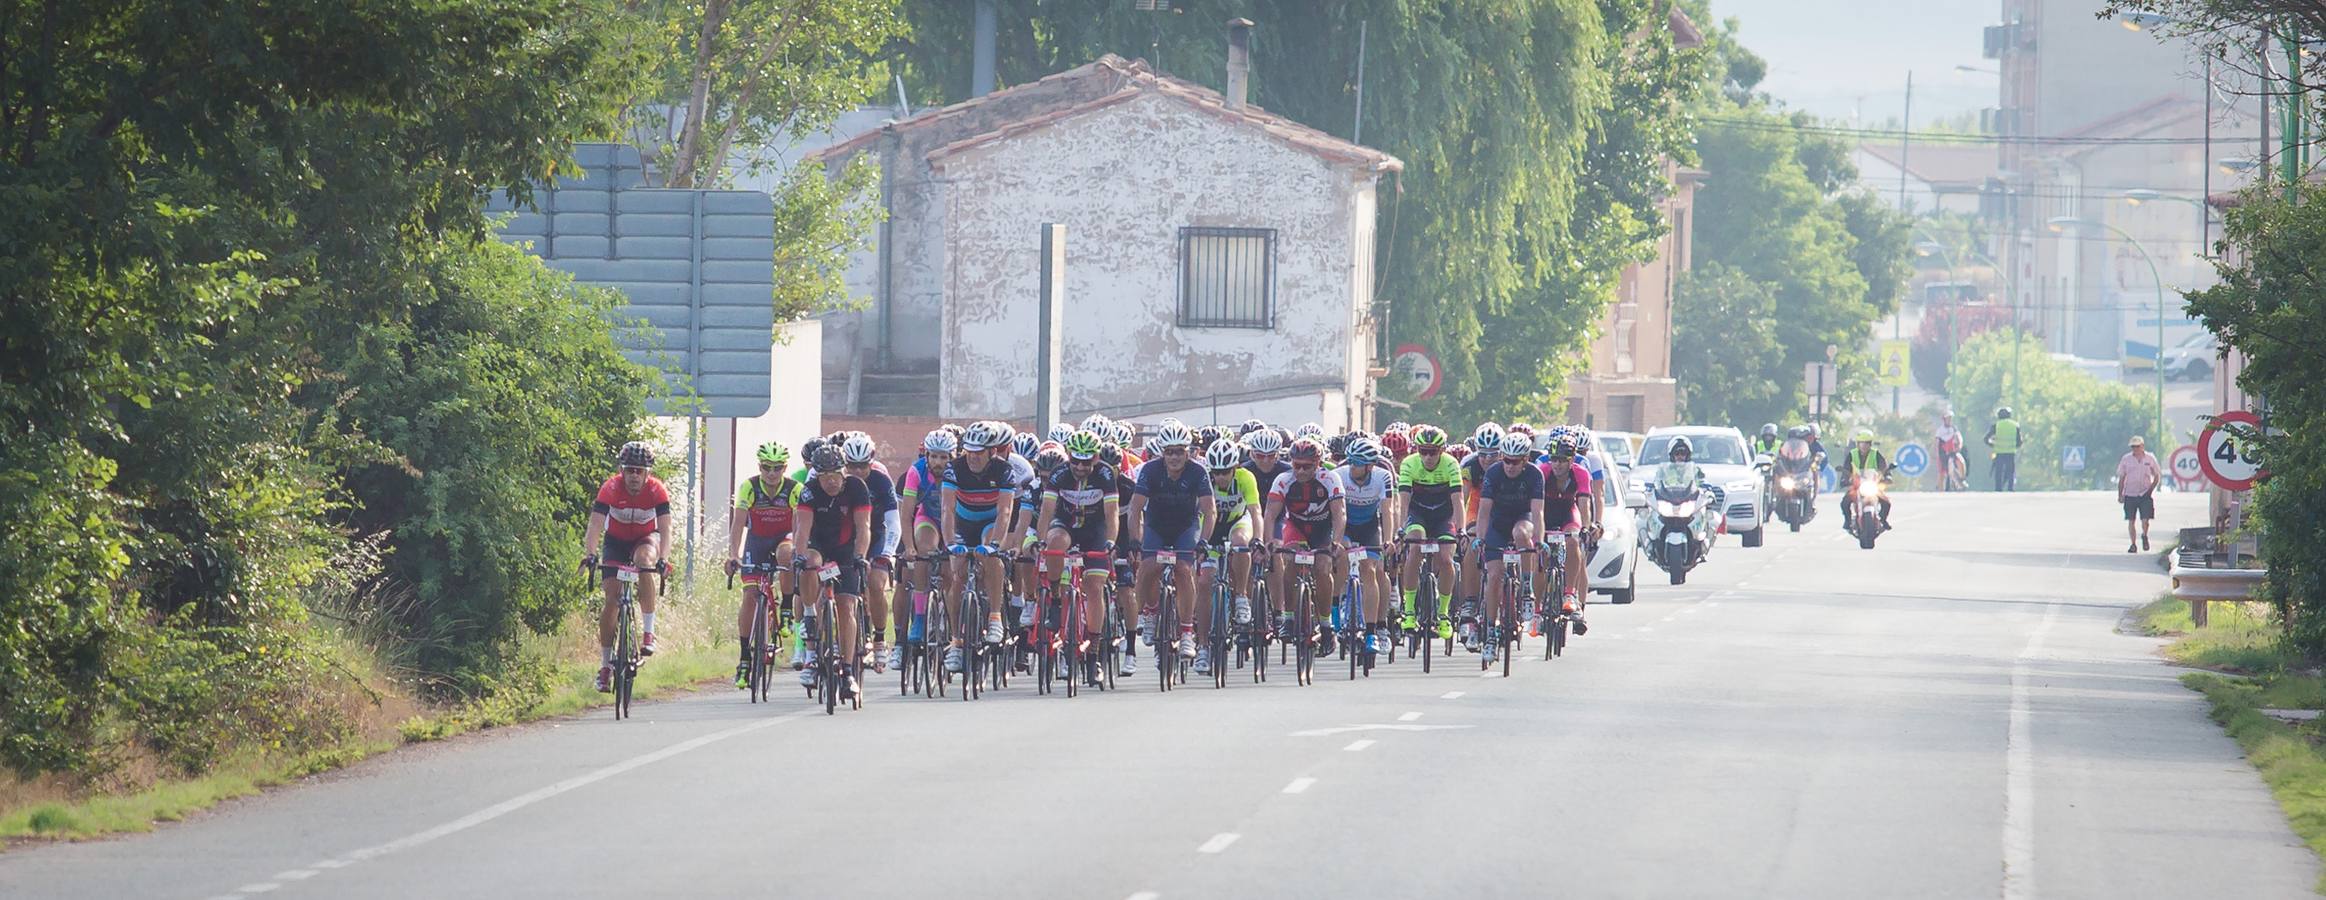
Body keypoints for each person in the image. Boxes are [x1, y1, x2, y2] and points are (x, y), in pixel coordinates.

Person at [1027, 430, 1120, 682]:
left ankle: (1094, 655)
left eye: (1086, 461)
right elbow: (1046, 511)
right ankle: (1056, 600)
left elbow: (1112, 514)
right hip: (1065, 523)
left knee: (1094, 586)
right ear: (1068, 456)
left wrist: (1111, 541)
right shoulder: (1059, 474)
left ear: (1096, 457)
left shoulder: (1104, 475)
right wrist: (1040, 540)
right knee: (1055, 542)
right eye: (1075, 460)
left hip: (1095, 529)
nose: (1080, 466)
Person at [1125, 422, 1217, 673]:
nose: (1174, 457)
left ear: (1188, 452)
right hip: (1156, 527)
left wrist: (1204, 541)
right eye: (1169, 452)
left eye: (1179, 451)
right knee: (1148, 566)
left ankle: (1187, 631)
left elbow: (1209, 510)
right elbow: (1135, 509)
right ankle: (1151, 612)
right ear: (1162, 453)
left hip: (1185, 528)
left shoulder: (1198, 472)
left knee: (1184, 570)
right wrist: (1135, 539)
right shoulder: (1150, 471)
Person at [582, 441, 673, 693]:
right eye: (629, 470)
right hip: (616, 542)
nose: (634, 475)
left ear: (647, 473)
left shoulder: (657, 491)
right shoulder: (610, 488)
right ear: (622, 470)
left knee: (646, 561)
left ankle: (648, 632)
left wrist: (663, 558)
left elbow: (665, 530)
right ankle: (605, 666)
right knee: (611, 600)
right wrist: (590, 554)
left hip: (645, 539)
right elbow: (595, 526)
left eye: (639, 471)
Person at [790, 446, 874, 699]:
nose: (831, 480)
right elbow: (802, 530)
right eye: (824, 475)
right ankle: (809, 616)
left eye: (835, 474)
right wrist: (799, 554)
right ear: (816, 475)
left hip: (846, 550)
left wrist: (860, 556)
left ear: (843, 472)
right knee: (809, 563)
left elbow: (864, 527)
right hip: (819, 546)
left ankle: (847, 671)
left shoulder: (857, 488)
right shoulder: (809, 491)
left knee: (847, 606)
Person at [939, 421, 1018, 674]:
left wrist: (995, 544)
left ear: (991, 452)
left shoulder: (1004, 470)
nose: (972, 457)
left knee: (992, 557)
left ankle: (995, 616)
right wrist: (951, 542)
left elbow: (1005, 511)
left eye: (979, 452)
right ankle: (956, 641)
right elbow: (947, 510)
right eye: (969, 451)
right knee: (957, 575)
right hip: (963, 523)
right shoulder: (954, 468)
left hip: (989, 523)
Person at [726, 441, 800, 689]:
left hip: (783, 539)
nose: (771, 473)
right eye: (766, 467)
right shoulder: (749, 486)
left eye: (777, 468)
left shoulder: (793, 489)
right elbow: (738, 524)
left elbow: (800, 524)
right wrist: (732, 554)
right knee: (749, 595)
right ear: (759, 466)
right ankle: (745, 657)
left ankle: (787, 608)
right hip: (756, 542)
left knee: (787, 554)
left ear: (784, 468)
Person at [1263, 438, 1346, 654]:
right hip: (1296, 526)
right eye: (1296, 465)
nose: (1300, 471)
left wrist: (1336, 542)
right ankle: (1289, 618)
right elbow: (1270, 515)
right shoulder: (1283, 480)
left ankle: (1326, 625)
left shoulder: (1330, 478)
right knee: (1289, 558)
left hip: (1322, 529)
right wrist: (1268, 543)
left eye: (1306, 466)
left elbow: (1339, 514)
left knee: (1322, 567)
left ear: (1318, 463)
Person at [1472, 431, 1546, 663]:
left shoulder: (1535, 475)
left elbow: (1538, 512)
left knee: (1522, 534)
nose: (1510, 466)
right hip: (1498, 522)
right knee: (1494, 576)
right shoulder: (1493, 473)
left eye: (1516, 461)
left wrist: (1540, 541)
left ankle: (1526, 588)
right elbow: (1484, 511)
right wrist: (1480, 538)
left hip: (1522, 518)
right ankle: (1492, 632)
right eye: (1507, 460)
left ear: (1525, 460)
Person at [1397, 425, 1465, 642]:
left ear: (1442, 450)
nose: (1427, 457)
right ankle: (1409, 610)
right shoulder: (1409, 464)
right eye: (1422, 451)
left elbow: (1458, 501)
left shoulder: (1451, 464)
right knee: (1415, 545)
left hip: (1443, 516)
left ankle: (1443, 613)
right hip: (1417, 514)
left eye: (1432, 452)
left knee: (1446, 559)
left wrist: (1461, 529)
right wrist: (1400, 528)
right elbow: (1404, 501)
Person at [837, 433, 899, 672]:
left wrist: (888, 553)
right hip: (847, 538)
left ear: (871, 461)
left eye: (862, 466)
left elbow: (893, 521)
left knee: (875, 583)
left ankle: (880, 638)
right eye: (851, 466)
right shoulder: (837, 480)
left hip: (877, 536)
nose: (856, 471)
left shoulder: (881, 480)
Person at [1335, 437, 1398, 659]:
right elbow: (1337, 512)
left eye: (1358, 463)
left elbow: (1387, 511)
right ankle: (1340, 602)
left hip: (1370, 526)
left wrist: (1389, 539)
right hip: (1346, 524)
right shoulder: (1340, 475)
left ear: (1370, 466)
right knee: (1341, 555)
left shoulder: (1383, 476)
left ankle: (1373, 630)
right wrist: (1338, 539)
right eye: (1351, 461)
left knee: (1370, 570)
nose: (1353, 467)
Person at [1838, 428, 1894, 530]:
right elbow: (1846, 468)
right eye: (1861, 443)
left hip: (1872, 484)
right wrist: (1844, 479)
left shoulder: (1876, 454)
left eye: (1867, 443)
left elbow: (1884, 467)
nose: (1864, 446)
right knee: (1845, 503)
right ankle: (1848, 521)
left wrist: (1887, 476)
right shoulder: (1852, 454)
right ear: (1858, 444)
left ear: (1870, 444)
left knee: (1886, 502)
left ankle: (1883, 520)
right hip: (1857, 485)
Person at [2117, 435, 2162, 553]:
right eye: (2133, 447)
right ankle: (2133, 544)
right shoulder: (2126, 459)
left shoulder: (2149, 458)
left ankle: (2145, 535)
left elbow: (2157, 475)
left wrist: (2151, 489)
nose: (2135, 449)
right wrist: (2120, 494)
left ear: (2142, 446)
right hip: (2130, 493)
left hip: (2145, 494)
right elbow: (2122, 477)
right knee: (2131, 520)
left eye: (2137, 446)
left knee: (2145, 520)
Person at [1986, 407, 2022, 491]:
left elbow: (1986, 439)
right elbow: (2019, 441)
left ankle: (1998, 488)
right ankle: (2010, 487)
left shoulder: (1996, 425)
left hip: (1999, 452)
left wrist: (1993, 444)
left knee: (1998, 471)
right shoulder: (2015, 425)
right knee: (2011, 471)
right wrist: (2014, 446)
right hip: (2011, 452)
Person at [1935, 412, 1966, 491]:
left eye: (1951, 418)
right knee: (1941, 473)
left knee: (1961, 461)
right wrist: (1937, 455)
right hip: (1943, 454)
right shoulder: (1940, 430)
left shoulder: (1954, 428)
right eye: (1948, 418)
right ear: (1944, 420)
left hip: (1953, 452)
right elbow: (1937, 443)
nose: (1950, 420)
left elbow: (1959, 438)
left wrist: (1959, 446)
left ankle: (1962, 479)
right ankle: (1940, 491)